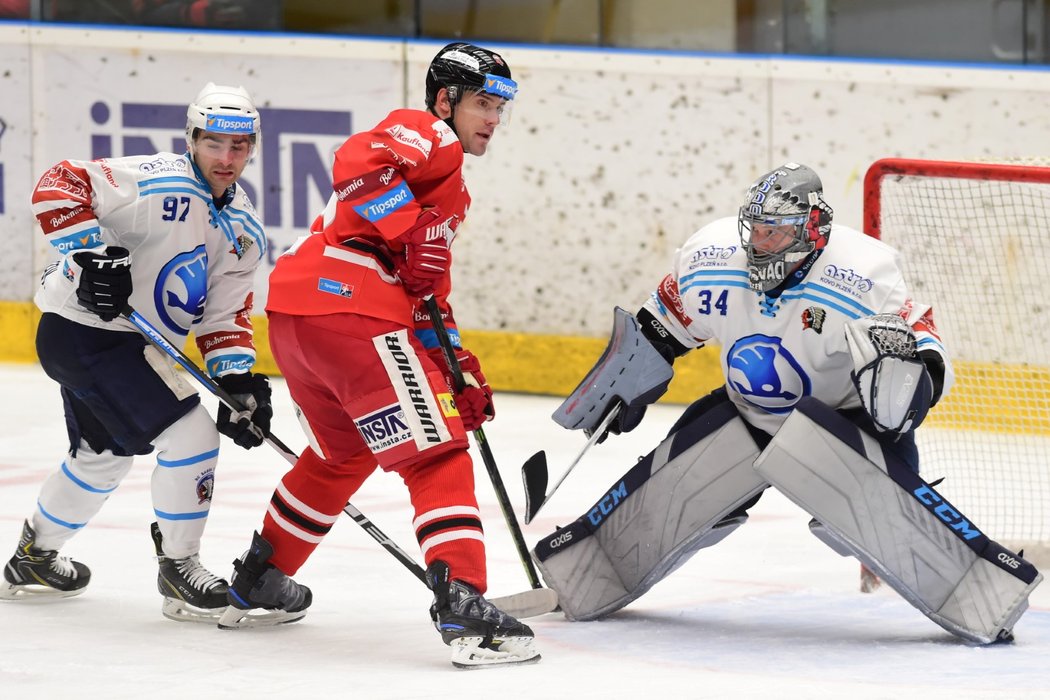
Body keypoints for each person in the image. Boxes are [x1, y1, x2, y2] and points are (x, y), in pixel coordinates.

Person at [532, 162, 1042, 644]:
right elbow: (658, 327)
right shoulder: (710, 259)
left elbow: (925, 348)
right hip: (745, 417)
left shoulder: (861, 276)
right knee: (675, 492)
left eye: (773, 232)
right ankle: (585, 572)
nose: (758, 243)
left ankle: (978, 594)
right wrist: (624, 380)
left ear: (811, 232)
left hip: (842, 427)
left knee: (884, 506)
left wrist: (910, 381)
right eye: (753, 230)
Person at [218, 43, 539, 668]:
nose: (493, 119)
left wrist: (455, 368)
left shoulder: (449, 193)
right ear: (445, 99)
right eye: (481, 103)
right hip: (351, 309)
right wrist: (406, 230)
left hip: (297, 316)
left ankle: (262, 576)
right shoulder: (429, 134)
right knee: (437, 452)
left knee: (343, 453)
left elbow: (424, 294)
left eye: (499, 107)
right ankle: (463, 602)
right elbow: (356, 159)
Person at [0, 83, 274, 624]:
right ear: (191, 138)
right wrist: (92, 253)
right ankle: (180, 566)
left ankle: (33, 558)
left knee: (100, 459)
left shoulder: (243, 226)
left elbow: (223, 316)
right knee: (190, 436)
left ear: (253, 148)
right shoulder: (156, 178)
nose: (226, 158)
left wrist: (239, 380)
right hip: (85, 331)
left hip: (120, 343)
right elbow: (60, 182)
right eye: (213, 143)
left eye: (239, 146)